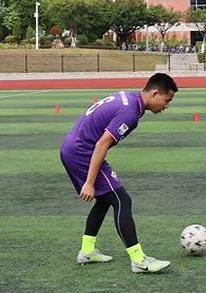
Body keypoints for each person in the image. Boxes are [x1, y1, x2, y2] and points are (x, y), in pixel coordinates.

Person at [60, 73, 178, 273]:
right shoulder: (130, 113)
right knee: (122, 200)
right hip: (82, 152)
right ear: (155, 93)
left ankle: (87, 251)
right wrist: (89, 182)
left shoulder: (130, 99)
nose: (166, 106)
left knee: (106, 199)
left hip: (72, 148)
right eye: (167, 100)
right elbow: (101, 145)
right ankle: (139, 260)